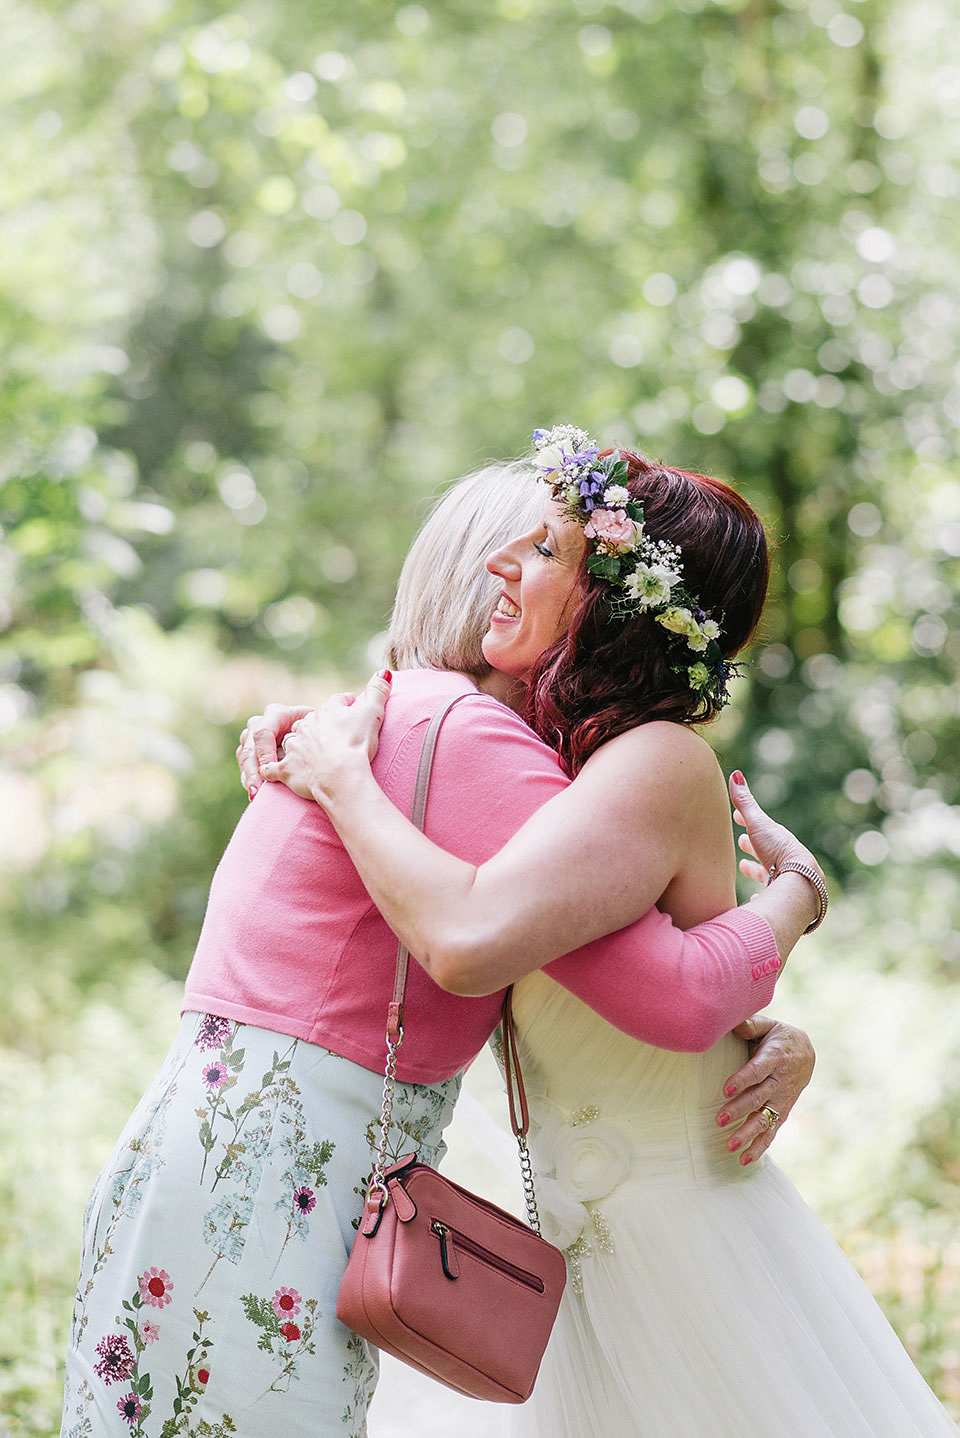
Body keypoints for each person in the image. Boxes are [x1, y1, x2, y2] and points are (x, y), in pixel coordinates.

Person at [61, 447, 818, 1438]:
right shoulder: (465, 736)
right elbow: (664, 987)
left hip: (221, 1158)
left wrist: (774, 1033)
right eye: (513, 545)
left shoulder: (410, 726)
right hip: (279, 1177)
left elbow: (618, 960)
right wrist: (799, 893)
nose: (512, 565)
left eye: (546, 548)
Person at [265, 425, 958, 1436]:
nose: (508, 562)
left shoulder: (658, 758)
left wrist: (801, 888)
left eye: (548, 551)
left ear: (620, 602)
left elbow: (519, 950)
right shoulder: (569, 769)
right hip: (582, 1253)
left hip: (681, 1250)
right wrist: (301, 721)